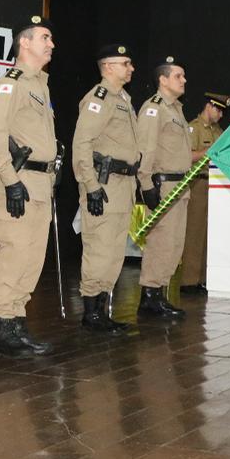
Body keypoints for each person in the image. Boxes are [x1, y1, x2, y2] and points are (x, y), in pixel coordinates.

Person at [0, 15, 58, 359]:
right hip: (20, 180)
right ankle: (4, 331)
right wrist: (10, 181)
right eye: (45, 37)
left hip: (41, 183)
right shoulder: (10, 83)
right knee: (14, 254)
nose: (51, 44)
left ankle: (17, 323)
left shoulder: (40, 85)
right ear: (24, 43)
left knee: (31, 259)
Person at [71, 44, 142, 334]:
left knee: (114, 251)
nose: (131, 68)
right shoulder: (98, 99)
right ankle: (90, 313)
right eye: (125, 63)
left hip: (123, 184)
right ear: (108, 67)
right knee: (99, 247)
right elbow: (82, 144)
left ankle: (102, 309)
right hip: (103, 182)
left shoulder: (123, 99)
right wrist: (90, 187)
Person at [135, 57, 193, 319]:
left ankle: (159, 294)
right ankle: (149, 296)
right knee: (161, 242)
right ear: (163, 79)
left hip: (180, 184)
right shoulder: (154, 109)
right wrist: (146, 185)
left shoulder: (176, 110)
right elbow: (145, 149)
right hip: (164, 185)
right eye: (178, 76)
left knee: (174, 244)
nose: (183, 80)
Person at [180, 92, 230, 291]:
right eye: (217, 110)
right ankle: (188, 280)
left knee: (209, 234)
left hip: (216, 187)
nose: (220, 115)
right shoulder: (194, 128)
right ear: (208, 106)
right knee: (194, 232)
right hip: (198, 183)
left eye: (222, 112)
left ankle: (202, 278)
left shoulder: (218, 130)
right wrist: (209, 154)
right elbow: (188, 156)